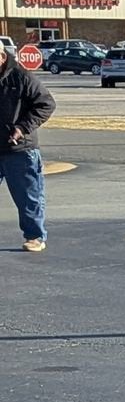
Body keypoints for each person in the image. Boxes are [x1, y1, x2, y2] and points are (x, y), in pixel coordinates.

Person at [0, 36, 56, 253]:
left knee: (28, 196)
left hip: (19, 149)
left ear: (2, 57)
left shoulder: (21, 77)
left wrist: (22, 127)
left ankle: (35, 236)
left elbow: (46, 104)